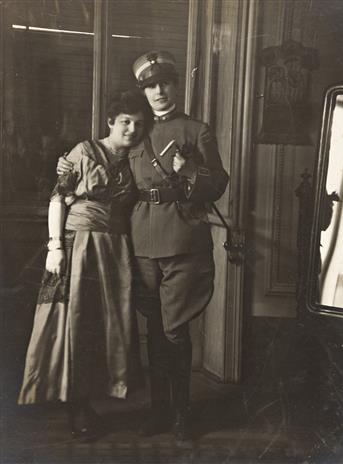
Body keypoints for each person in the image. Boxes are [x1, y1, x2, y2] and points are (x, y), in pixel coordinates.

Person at [57, 51, 229, 443]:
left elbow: (218, 183)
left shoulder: (197, 130)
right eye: (150, 85)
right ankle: (159, 410)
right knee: (154, 328)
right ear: (143, 91)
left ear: (175, 85)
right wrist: (65, 167)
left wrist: (189, 170)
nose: (159, 91)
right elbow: (98, 163)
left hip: (183, 240)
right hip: (139, 243)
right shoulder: (136, 131)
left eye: (165, 82)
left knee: (174, 330)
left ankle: (183, 413)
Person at [18, 90, 153, 441]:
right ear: (111, 121)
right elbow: (58, 198)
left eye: (139, 124)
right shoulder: (84, 152)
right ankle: (74, 405)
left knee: (110, 325)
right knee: (77, 322)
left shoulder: (136, 161)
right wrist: (55, 246)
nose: (132, 129)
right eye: (125, 122)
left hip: (117, 248)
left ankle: (97, 402)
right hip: (80, 244)